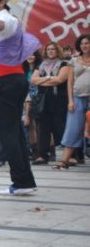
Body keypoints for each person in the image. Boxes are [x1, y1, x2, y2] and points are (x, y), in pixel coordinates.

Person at [0, 0, 41, 195]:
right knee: (14, 133)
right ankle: (24, 180)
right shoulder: (7, 20)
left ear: (2, 2)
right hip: (10, 80)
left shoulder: (6, 19)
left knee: (8, 133)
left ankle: (21, 182)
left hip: (8, 81)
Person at [30, 42, 70, 165]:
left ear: (57, 50)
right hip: (44, 100)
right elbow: (33, 80)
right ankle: (43, 155)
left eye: (53, 49)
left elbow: (60, 80)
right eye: (48, 49)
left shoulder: (64, 64)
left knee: (61, 127)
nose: (51, 51)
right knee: (42, 128)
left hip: (59, 100)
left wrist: (43, 80)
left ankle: (71, 155)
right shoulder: (40, 65)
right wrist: (50, 78)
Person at [55, 34, 90, 170]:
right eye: (82, 44)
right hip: (77, 98)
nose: (84, 46)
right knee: (73, 128)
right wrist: (70, 101)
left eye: (87, 43)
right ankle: (64, 161)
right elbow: (70, 82)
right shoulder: (73, 61)